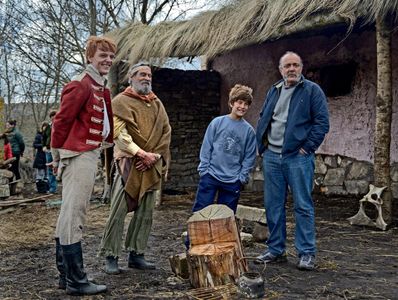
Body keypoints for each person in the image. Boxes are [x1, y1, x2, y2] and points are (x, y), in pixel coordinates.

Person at [50, 36, 116, 295]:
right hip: (78, 155)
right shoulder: (81, 85)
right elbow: (60, 122)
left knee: (68, 213)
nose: (108, 61)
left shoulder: (98, 86)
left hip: (88, 153)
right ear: (90, 57)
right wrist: (57, 157)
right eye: (102, 56)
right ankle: (76, 281)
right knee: (74, 215)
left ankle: (66, 277)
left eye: (111, 56)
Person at [255, 51, 329, 270]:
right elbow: (264, 117)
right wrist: (263, 146)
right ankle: (276, 250)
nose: (291, 69)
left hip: (297, 157)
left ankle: (306, 253)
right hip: (272, 157)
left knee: (303, 206)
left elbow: (322, 123)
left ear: (301, 68)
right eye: (287, 66)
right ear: (281, 69)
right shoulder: (274, 90)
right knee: (273, 205)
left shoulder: (312, 90)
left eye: (295, 65)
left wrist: (307, 148)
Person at [98, 63, 171, 275]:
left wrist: (155, 155)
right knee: (118, 211)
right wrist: (141, 154)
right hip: (129, 163)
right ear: (131, 77)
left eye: (148, 75)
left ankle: (136, 254)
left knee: (146, 213)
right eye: (141, 74)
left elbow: (166, 131)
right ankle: (111, 256)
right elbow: (119, 134)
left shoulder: (157, 104)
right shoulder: (120, 102)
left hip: (151, 164)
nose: (146, 78)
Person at [191, 84, 257, 215]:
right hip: (211, 175)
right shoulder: (217, 123)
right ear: (232, 103)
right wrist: (204, 170)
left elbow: (249, 156)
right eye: (239, 102)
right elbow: (207, 147)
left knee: (226, 218)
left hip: (232, 181)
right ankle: (194, 237)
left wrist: (242, 178)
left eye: (246, 104)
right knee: (201, 213)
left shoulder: (249, 131)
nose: (242, 107)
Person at [42, 111, 58, 193]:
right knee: (50, 168)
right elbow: (44, 137)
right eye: (52, 116)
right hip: (49, 150)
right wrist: (44, 146)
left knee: (60, 167)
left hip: (58, 149)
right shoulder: (48, 126)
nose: (53, 117)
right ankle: (53, 188)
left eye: (55, 116)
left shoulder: (60, 124)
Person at [33, 124, 49, 193]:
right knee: (40, 173)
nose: (45, 129)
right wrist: (43, 146)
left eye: (46, 128)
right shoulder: (38, 136)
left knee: (47, 174)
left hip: (48, 156)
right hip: (40, 156)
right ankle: (40, 189)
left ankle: (46, 189)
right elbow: (35, 145)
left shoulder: (49, 136)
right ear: (41, 128)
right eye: (43, 128)